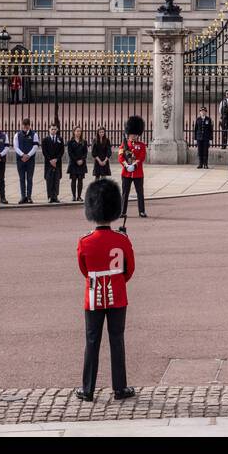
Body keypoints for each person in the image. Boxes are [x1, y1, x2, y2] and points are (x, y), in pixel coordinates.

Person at [75, 177, 136, 402]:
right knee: (116, 341)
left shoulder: (85, 241)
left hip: (93, 296)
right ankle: (119, 388)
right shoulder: (122, 240)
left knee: (92, 341)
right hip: (118, 295)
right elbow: (129, 269)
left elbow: (84, 269)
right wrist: (117, 282)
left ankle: (88, 389)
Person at [119, 115, 147, 221]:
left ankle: (142, 211)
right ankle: (123, 211)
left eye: (135, 134)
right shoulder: (124, 145)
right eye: (132, 134)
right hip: (126, 173)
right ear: (129, 133)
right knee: (125, 193)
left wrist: (135, 164)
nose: (134, 136)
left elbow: (142, 157)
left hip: (138, 173)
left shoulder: (142, 145)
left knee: (140, 192)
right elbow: (120, 157)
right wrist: (126, 165)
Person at [13, 118, 39, 205]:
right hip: (20, 160)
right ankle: (23, 196)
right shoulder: (17, 135)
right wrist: (22, 155)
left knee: (29, 178)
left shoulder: (34, 134)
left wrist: (28, 155)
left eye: (27, 126)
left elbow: (35, 147)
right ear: (22, 126)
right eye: (24, 126)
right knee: (21, 178)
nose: (25, 128)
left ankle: (29, 197)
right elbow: (15, 147)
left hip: (30, 160)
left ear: (29, 126)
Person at [41, 122, 65, 204]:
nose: (53, 131)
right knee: (49, 180)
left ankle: (55, 196)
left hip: (57, 163)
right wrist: (50, 160)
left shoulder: (60, 139)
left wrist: (56, 159)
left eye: (55, 129)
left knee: (56, 180)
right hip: (49, 163)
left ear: (57, 130)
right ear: (49, 130)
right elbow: (44, 151)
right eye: (52, 129)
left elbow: (62, 151)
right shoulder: (45, 140)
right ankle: (50, 196)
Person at [67, 128, 89, 203]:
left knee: (80, 180)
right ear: (74, 132)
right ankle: (73, 196)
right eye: (77, 131)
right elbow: (70, 153)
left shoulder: (84, 142)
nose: (78, 133)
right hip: (73, 163)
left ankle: (79, 196)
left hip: (81, 163)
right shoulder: (70, 142)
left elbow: (85, 152)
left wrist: (82, 160)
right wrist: (76, 160)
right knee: (73, 179)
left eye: (80, 131)